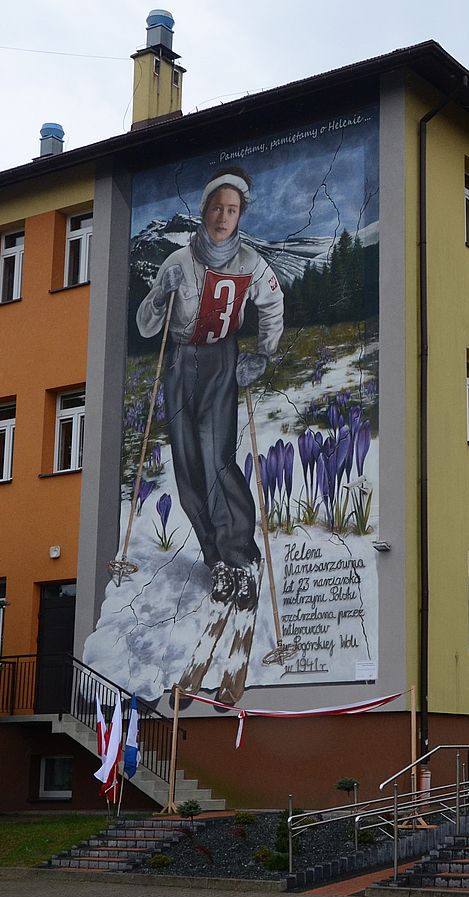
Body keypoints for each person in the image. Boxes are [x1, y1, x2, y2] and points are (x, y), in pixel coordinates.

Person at [136, 165, 283, 611]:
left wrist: (263, 353)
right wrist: (162, 295)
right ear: (205, 211)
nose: (223, 217)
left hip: (222, 358)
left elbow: (273, 303)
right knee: (187, 464)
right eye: (217, 207)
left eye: (232, 209)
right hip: (181, 360)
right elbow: (146, 325)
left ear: (240, 216)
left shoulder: (249, 263)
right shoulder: (177, 262)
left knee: (216, 456)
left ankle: (240, 556)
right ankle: (214, 555)